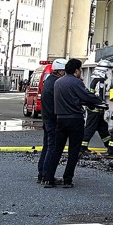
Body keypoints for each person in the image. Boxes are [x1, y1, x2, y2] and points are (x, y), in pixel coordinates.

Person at [45, 59, 104, 188]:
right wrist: (98, 101)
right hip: (75, 119)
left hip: (60, 119)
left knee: (57, 150)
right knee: (73, 150)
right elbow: (87, 96)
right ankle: (67, 179)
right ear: (76, 70)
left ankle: (49, 178)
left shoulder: (58, 83)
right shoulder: (76, 82)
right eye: (80, 70)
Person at [36, 59, 67, 183]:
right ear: (59, 71)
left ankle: (41, 172)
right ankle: (46, 174)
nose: (65, 74)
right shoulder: (56, 83)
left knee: (47, 146)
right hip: (53, 119)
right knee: (52, 146)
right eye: (64, 71)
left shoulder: (48, 81)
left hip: (47, 118)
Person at [81, 60, 113, 154]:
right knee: (90, 128)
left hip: (96, 109)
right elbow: (98, 96)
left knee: (103, 129)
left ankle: (109, 146)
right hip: (95, 109)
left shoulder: (95, 81)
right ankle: (82, 148)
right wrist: (104, 105)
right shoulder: (100, 82)